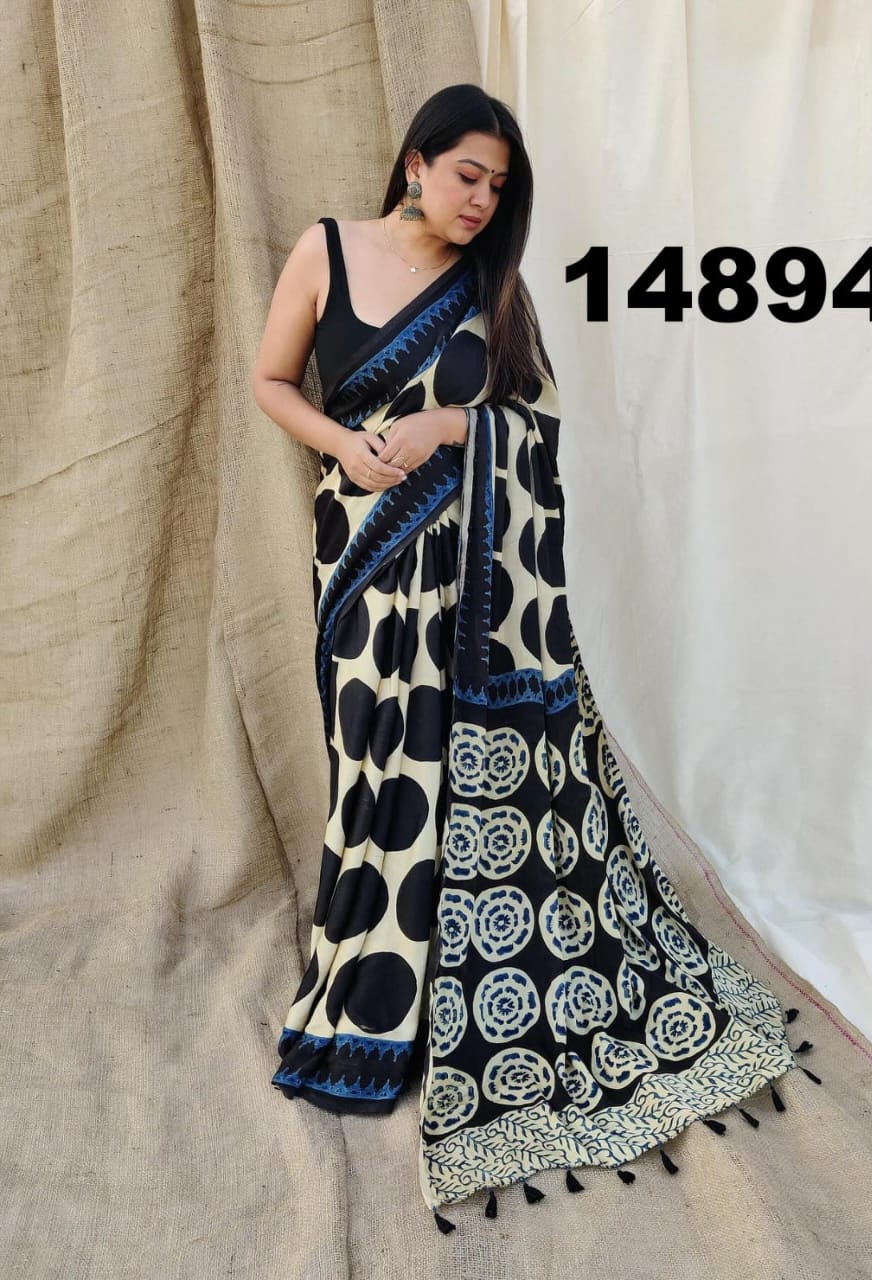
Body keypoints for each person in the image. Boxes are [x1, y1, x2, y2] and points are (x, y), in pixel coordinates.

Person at [251, 82, 822, 1234]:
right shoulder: (325, 252)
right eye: (467, 175)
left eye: (498, 187)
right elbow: (270, 381)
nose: (481, 200)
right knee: (379, 764)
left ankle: (458, 994)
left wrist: (449, 427)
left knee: (464, 777)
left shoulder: (493, 289)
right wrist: (346, 446)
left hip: (474, 582)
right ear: (415, 162)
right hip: (364, 555)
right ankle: (370, 998)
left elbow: (539, 424)